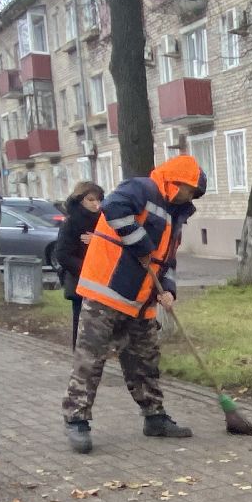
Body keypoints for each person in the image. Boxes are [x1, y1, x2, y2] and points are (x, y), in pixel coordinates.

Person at [61, 156, 203, 454]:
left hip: (142, 300)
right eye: (188, 191)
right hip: (107, 292)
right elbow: (113, 207)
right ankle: (77, 420)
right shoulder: (142, 189)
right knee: (91, 359)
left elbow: (168, 259)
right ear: (175, 183)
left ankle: (155, 417)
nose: (189, 198)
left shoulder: (174, 214)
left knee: (145, 361)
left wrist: (170, 290)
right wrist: (140, 243)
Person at [56, 180, 104, 348]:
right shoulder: (71, 222)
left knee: (102, 325)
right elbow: (62, 254)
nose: (96, 204)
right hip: (79, 281)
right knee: (81, 322)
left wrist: (98, 241)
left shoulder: (103, 220)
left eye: (98, 199)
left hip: (102, 281)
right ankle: (80, 359)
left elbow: (112, 244)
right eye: (91, 199)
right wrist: (86, 270)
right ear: (80, 200)